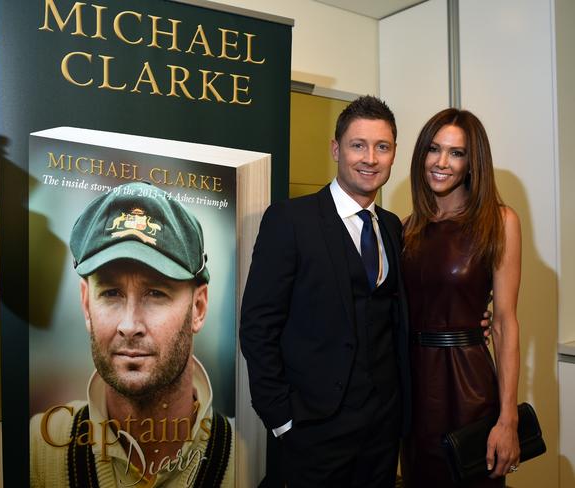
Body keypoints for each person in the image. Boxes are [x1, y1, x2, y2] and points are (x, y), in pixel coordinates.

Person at [240, 95, 410, 487]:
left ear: (393, 154)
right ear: (336, 149)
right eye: (358, 145)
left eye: (381, 147)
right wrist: (281, 420)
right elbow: (257, 326)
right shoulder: (290, 220)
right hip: (313, 430)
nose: (370, 158)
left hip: (382, 429)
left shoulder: (392, 227)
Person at [29, 181, 234, 488]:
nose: (129, 324)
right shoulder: (40, 450)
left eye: (156, 293)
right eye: (111, 293)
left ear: (199, 308)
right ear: (86, 304)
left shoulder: (245, 454)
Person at [400, 108, 521, 487]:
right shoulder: (406, 228)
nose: (441, 162)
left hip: (469, 388)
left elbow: (503, 323)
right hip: (414, 389)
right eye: (433, 150)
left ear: (473, 163)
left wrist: (508, 419)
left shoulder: (499, 222)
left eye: (456, 153)